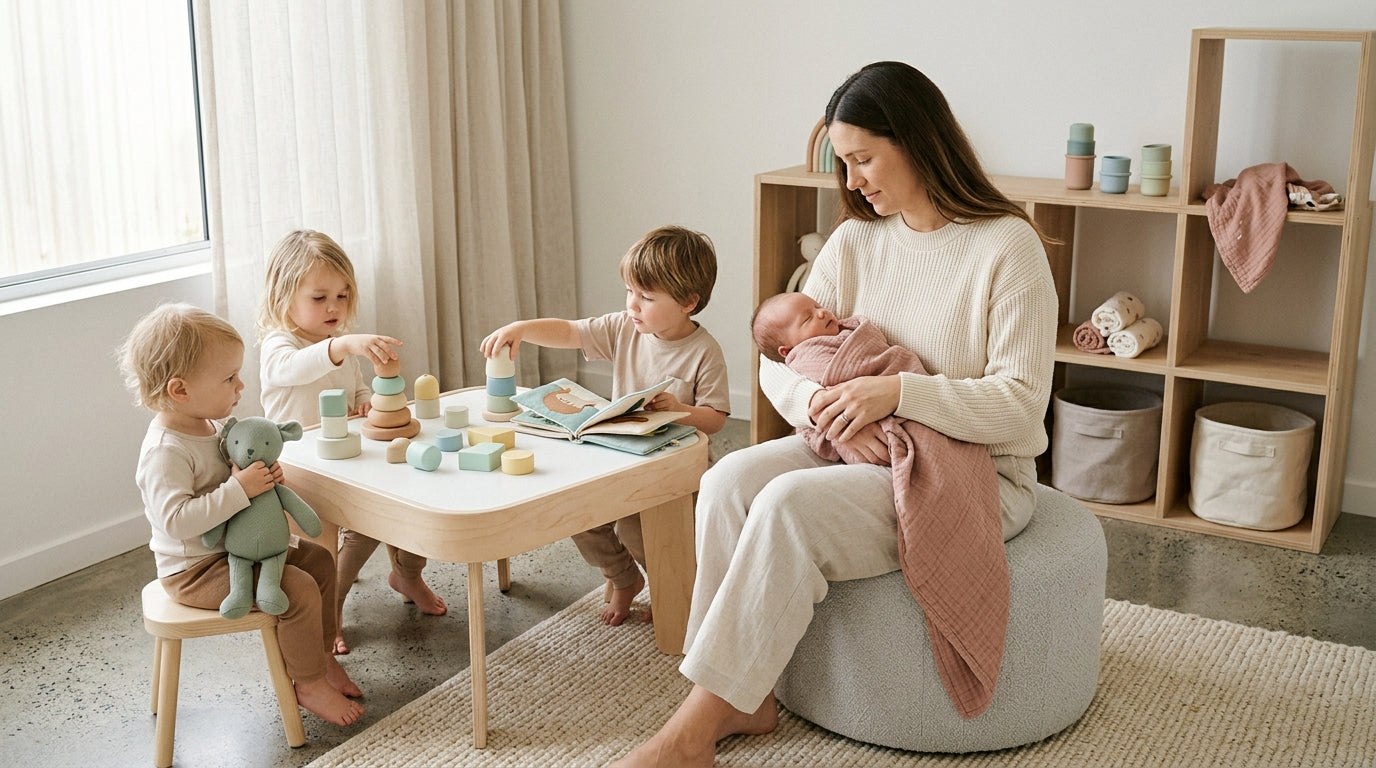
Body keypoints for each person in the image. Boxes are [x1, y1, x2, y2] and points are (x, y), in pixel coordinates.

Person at [610, 61, 1057, 767]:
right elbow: (775, 363)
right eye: (844, 165)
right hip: (855, 443)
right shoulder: (856, 242)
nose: (853, 183)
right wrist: (828, 403)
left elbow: (1022, 403)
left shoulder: (1008, 247)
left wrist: (898, 395)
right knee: (729, 481)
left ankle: (691, 734)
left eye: (863, 159)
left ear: (916, 140)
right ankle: (742, 699)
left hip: (975, 470)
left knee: (787, 505)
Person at [119, 302, 364, 726]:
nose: (241, 385)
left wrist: (264, 480)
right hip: (196, 569)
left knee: (321, 560)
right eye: (229, 377)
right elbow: (176, 520)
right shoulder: (165, 451)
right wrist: (239, 489)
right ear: (180, 390)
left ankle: (321, 658)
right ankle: (307, 683)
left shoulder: (213, 425)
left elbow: (235, 474)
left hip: (238, 549)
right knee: (299, 589)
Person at [480, 225, 730, 626]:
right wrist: (521, 329)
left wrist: (680, 410)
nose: (633, 304)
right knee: (577, 512)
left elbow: (716, 419)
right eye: (630, 291)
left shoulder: (704, 352)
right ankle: (622, 577)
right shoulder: (624, 328)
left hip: (673, 466)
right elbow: (570, 331)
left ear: (688, 302)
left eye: (646, 297)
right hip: (620, 452)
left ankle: (675, 586)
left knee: (637, 530)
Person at [257, 229, 445, 656]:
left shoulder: (335, 345)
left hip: (345, 458)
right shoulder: (278, 345)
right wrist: (342, 346)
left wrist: (364, 404)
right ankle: (330, 614)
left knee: (401, 503)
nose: (334, 307)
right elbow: (295, 370)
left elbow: (356, 388)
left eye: (342, 296)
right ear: (285, 298)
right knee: (328, 548)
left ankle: (407, 574)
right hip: (300, 471)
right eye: (320, 298)